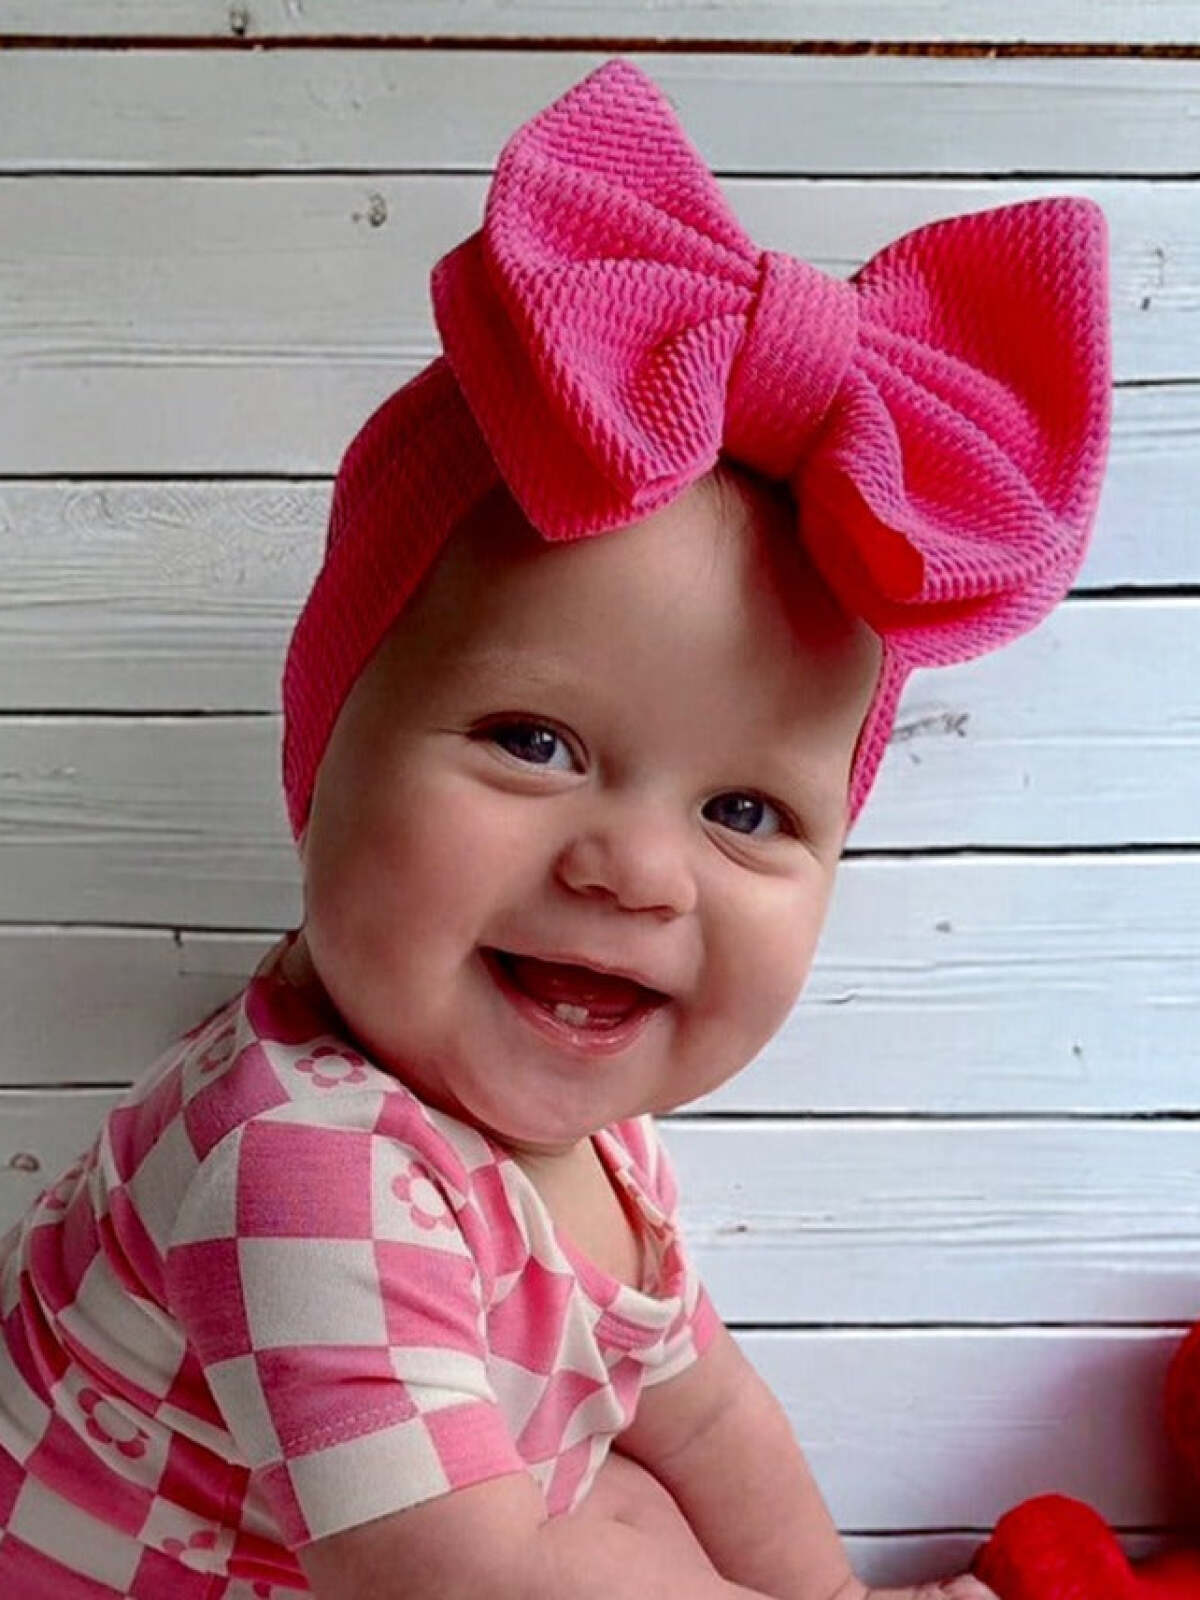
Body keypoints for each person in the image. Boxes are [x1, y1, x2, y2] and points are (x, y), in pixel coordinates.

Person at [0, 56, 1111, 1600]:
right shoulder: (300, 1166)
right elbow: (466, 1587)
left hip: (405, 1542)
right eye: (535, 743)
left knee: (644, 1511)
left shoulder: (582, 1128)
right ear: (324, 755)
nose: (637, 871)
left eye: (744, 810)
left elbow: (705, 1407)